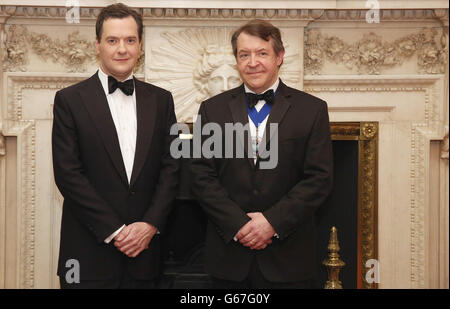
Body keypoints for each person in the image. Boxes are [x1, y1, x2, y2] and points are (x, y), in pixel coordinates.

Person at [190, 19, 333, 289]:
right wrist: (239, 225)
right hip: (229, 258)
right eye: (244, 55)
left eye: (262, 53)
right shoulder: (212, 109)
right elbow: (200, 176)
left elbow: (319, 179)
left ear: (279, 57)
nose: (252, 62)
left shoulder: (312, 110)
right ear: (237, 60)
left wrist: (272, 222)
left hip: (289, 258)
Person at [52, 3, 179, 289]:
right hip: (86, 256)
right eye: (112, 40)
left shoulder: (162, 100)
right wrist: (116, 231)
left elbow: (171, 168)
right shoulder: (69, 100)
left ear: (140, 45)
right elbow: (68, 174)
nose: (122, 49)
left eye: (130, 40)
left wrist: (150, 225)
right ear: (97, 45)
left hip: (145, 255)